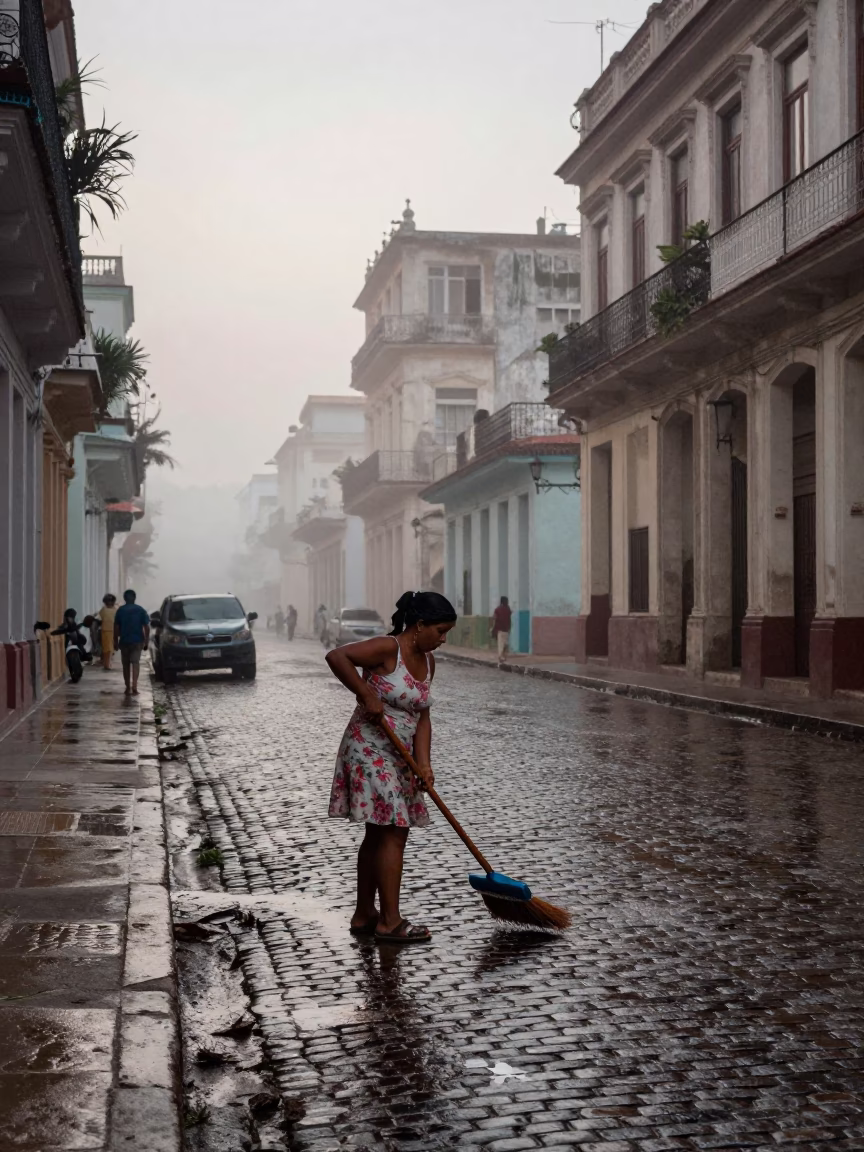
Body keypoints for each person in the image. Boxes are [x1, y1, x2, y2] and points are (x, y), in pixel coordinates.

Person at [325, 590, 457, 945]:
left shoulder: (428, 662)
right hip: (368, 748)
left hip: (401, 756)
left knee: (378, 833)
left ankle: (364, 914)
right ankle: (390, 921)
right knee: (395, 830)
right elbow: (337, 656)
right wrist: (365, 693)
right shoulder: (388, 648)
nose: (443, 639)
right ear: (420, 625)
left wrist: (424, 764)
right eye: (440, 631)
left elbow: (422, 716)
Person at [113, 589, 150, 697]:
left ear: (125, 598)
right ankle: (134, 686)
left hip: (124, 641)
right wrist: (146, 640)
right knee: (135, 663)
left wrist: (115, 641)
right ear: (134, 598)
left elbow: (116, 627)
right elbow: (146, 627)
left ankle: (127, 687)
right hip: (137, 640)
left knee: (126, 665)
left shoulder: (120, 611)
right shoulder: (140, 610)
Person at [96, 594, 118, 670]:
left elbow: (100, 617)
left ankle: (106, 664)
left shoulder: (103, 610)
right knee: (109, 649)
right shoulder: (115, 610)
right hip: (112, 631)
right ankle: (107, 664)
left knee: (106, 648)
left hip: (105, 630)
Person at [491, 595, 512, 661]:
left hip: (500, 629)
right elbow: (509, 619)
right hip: (506, 629)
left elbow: (494, 618)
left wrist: (493, 628)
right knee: (505, 644)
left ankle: (501, 656)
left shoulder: (497, 609)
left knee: (501, 644)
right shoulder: (508, 609)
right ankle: (503, 656)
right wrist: (509, 628)